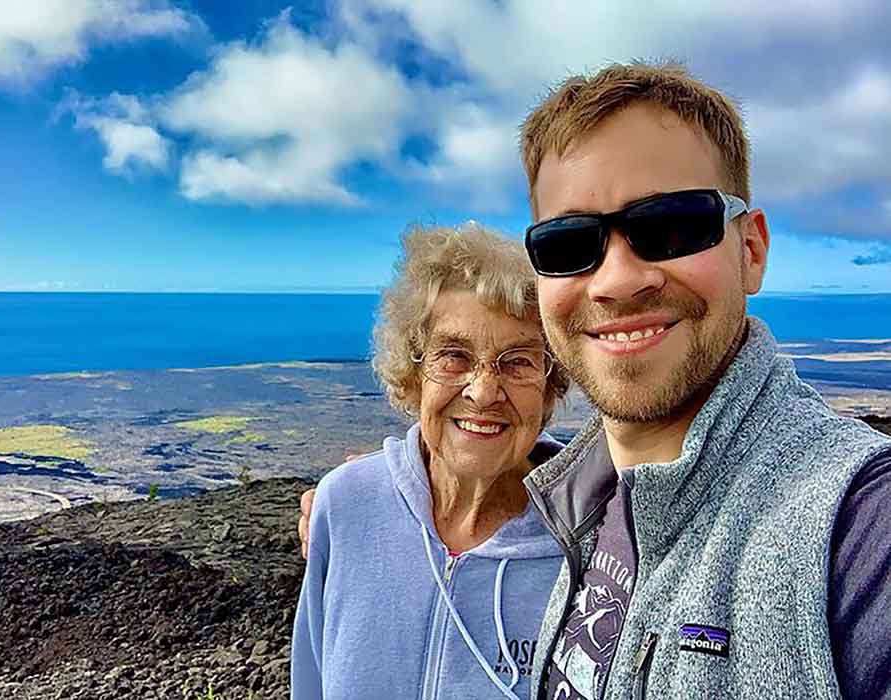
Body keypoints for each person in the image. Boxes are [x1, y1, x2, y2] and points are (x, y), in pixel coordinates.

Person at [299, 63, 891, 699]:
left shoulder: (857, 524)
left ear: (750, 249)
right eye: (568, 241)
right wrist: (368, 494)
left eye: (671, 225)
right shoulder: (583, 509)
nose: (616, 279)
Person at [290, 223, 571, 699]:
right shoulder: (343, 506)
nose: (483, 391)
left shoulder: (593, 542)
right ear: (413, 375)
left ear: (550, 389)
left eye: (518, 361)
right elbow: (310, 682)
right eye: (454, 356)